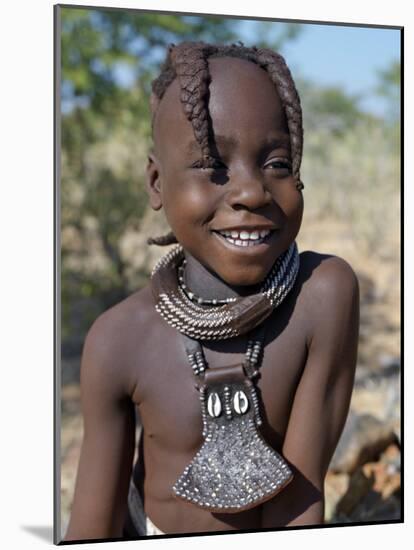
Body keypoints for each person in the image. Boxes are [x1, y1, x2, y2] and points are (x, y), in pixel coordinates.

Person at [64, 40, 359, 541]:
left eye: (278, 164)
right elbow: (93, 526)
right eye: (213, 165)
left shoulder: (321, 296)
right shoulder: (118, 339)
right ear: (156, 183)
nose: (250, 192)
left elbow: (298, 502)